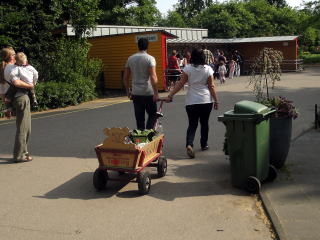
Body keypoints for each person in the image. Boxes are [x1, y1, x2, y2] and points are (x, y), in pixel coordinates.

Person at [165, 48, 219, 159]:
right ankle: (204, 144)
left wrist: (170, 95)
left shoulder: (188, 68)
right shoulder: (208, 69)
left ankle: (189, 144)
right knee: (204, 123)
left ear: (192, 57)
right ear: (203, 57)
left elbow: (180, 84)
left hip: (191, 101)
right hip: (205, 100)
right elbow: (211, 86)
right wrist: (216, 100)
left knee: (192, 124)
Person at [0, 47, 34, 163]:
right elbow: (16, 82)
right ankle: (20, 156)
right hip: (21, 98)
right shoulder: (12, 68)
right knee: (24, 129)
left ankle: (23, 153)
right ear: (11, 57)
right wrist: (30, 86)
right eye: (14, 54)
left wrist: (7, 108)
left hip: (14, 100)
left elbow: (3, 93)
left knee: (23, 127)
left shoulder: (4, 69)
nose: (16, 55)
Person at [123, 38, 159, 130]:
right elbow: (153, 76)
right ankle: (148, 134)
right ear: (147, 46)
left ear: (138, 46)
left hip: (136, 93)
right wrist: (156, 93)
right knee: (153, 115)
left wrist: (128, 91)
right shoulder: (150, 58)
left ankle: (141, 139)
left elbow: (125, 77)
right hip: (148, 92)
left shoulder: (130, 58)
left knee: (139, 119)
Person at [5, 52, 38, 117]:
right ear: (26, 61)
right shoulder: (30, 67)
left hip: (22, 85)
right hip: (30, 84)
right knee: (31, 91)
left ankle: (9, 103)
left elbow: (12, 74)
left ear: (16, 62)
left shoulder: (17, 68)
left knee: (11, 90)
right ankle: (34, 99)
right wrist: (34, 82)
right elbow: (36, 74)